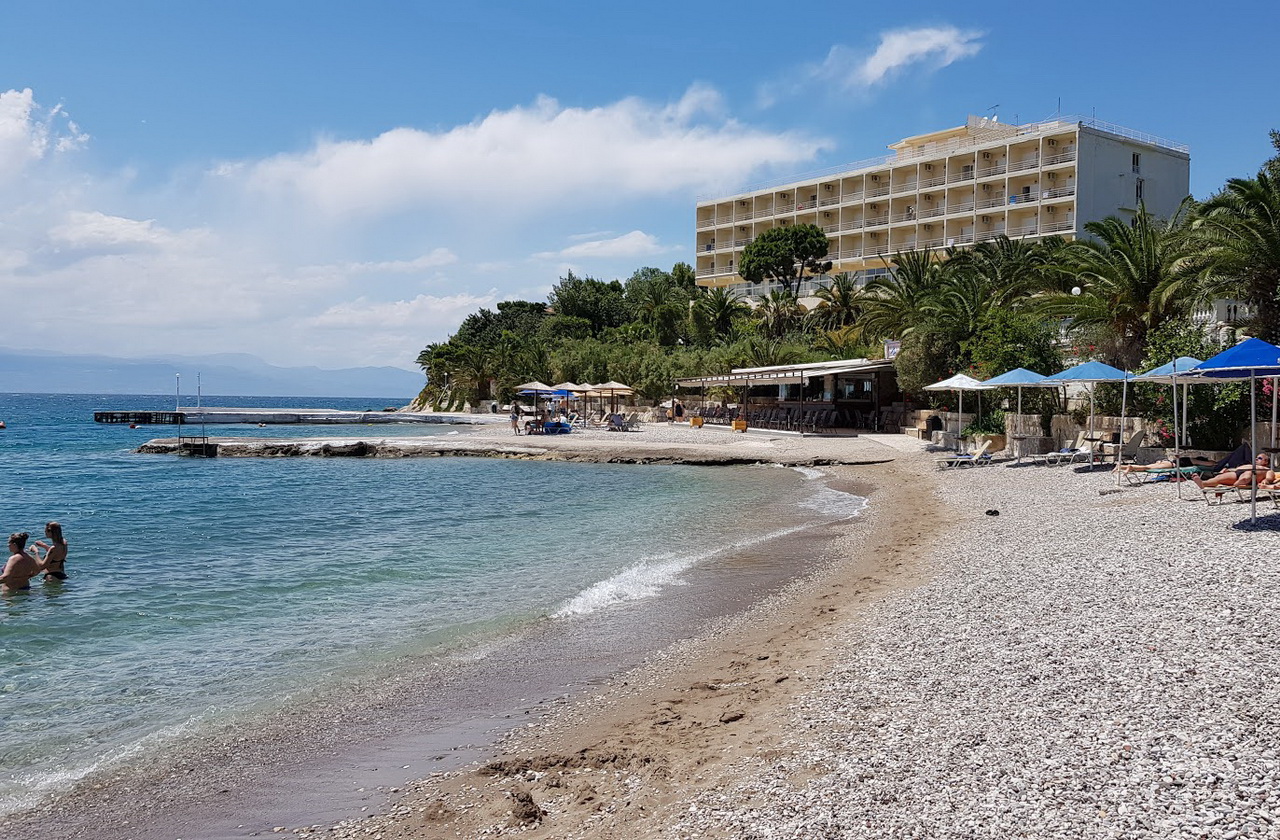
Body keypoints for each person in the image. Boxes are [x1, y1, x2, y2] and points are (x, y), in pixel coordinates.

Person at [1191, 453, 1273, 490]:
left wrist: (1266, 480)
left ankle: (1238, 483)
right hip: (1237, 473)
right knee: (1219, 478)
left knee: (1248, 474)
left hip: (1252, 475)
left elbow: (1270, 477)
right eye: (1256, 458)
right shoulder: (1250, 465)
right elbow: (1237, 469)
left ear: (1266, 461)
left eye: (1259, 458)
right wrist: (1228, 470)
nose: (1256, 459)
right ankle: (1203, 483)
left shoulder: (1267, 469)